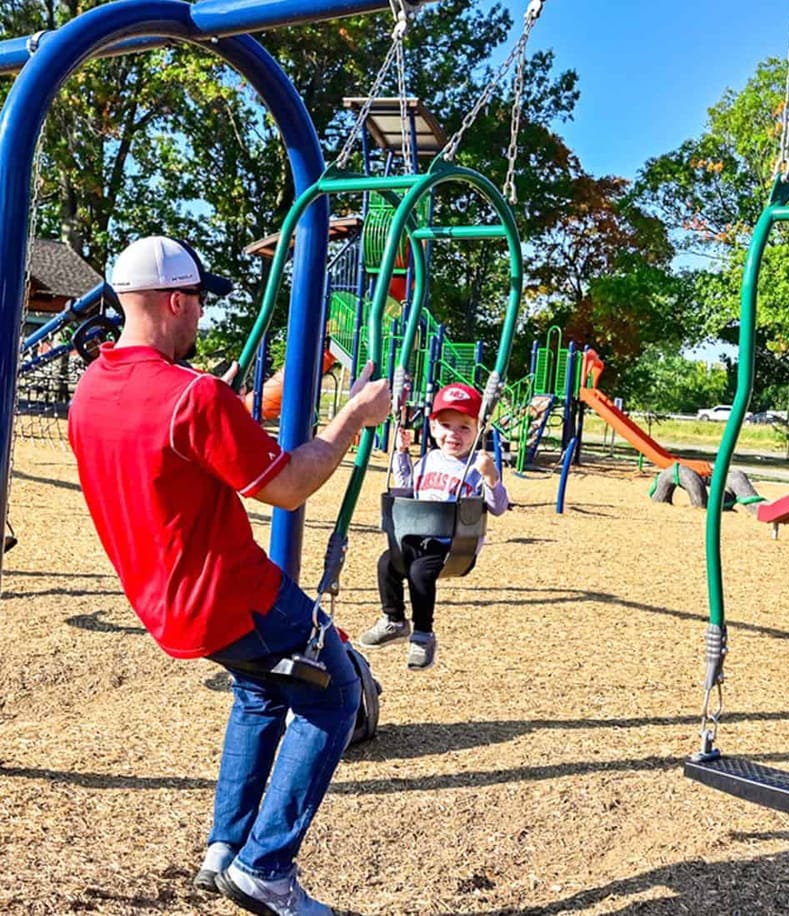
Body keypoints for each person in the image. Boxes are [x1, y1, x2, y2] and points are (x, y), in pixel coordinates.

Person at [67, 236, 391, 916]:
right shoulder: (196, 396)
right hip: (230, 596)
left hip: (162, 604)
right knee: (334, 696)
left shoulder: (90, 389)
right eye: (201, 304)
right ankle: (265, 868)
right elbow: (289, 486)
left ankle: (225, 846)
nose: (203, 319)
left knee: (259, 690)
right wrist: (354, 417)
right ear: (176, 302)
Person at [358, 382, 509, 669]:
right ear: (433, 427)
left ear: (479, 430)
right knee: (387, 563)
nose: (454, 434)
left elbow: (499, 507)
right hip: (415, 539)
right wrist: (401, 453)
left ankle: (423, 635)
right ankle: (394, 620)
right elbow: (406, 489)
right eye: (445, 425)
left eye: (464, 427)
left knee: (419, 573)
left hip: (451, 547)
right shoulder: (428, 459)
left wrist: (491, 478)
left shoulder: (478, 464)